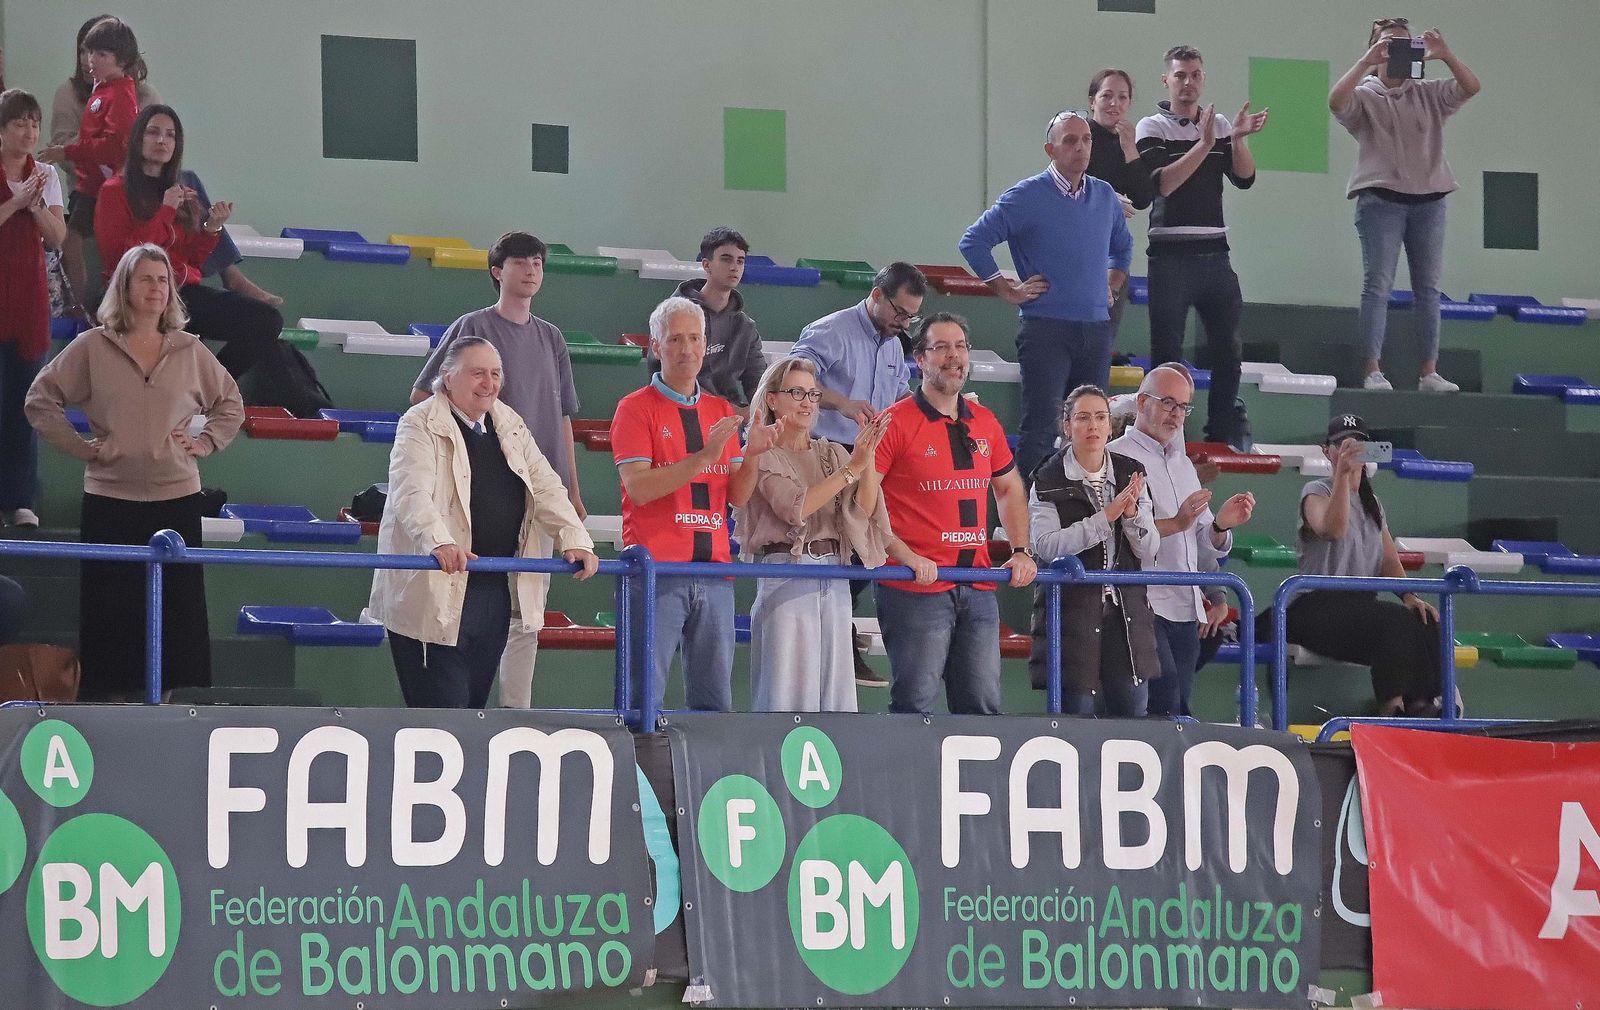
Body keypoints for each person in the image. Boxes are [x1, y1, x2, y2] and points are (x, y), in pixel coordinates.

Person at [25, 244, 243, 700]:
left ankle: (177, 708)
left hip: (177, 502)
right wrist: (81, 449)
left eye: (163, 280)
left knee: (180, 615)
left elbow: (230, 405)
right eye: (146, 279)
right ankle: (111, 710)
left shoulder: (190, 350)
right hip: (110, 503)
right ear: (124, 286)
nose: (156, 288)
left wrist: (203, 443)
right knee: (110, 614)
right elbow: (40, 400)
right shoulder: (91, 347)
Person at [370, 337, 596, 709]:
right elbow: (410, 494)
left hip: (493, 593)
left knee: (473, 715)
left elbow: (547, 485)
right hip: (435, 591)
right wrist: (438, 542)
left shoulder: (508, 422)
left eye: (495, 374)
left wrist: (575, 537)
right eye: (477, 373)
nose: (489, 384)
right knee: (442, 720)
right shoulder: (419, 423)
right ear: (446, 377)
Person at [412, 231, 586, 707]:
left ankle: (517, 714)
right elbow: (425, 395)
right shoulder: (473, 327)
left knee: (528, 612)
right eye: (520, 261)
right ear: (497, 271)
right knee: (470, 605)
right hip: (483, 493)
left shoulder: (551, 337)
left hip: (541, 493)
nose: (531, 270)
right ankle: (463, 710)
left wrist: (571, 489)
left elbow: (563, 416)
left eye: (538, 262)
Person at [874, 312, 1037, 715]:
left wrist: (1021, 549)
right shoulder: (893, 422)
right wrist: (904, 556)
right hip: (914, 587)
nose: (954, 357)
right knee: (915, 705)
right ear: (919, 358)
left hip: (978, 586)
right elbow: (862, 502)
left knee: (982, 705)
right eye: (941, 347)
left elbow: (1009, 486)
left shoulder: (985, 422)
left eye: (961, 346)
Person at [960, 109, 1134, 485]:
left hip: (1096, 329)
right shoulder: (1026, 196)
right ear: (1050, 149)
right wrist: (1006, 289)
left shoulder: (1104, 196)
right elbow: (973, 241)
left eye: (1086, 139)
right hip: (1046, 328)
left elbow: (1123, 247)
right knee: (1041, 429)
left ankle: (1076, 516)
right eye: (1070, 140)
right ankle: (1024, 525)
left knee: (1090, 430)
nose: (1081, 147)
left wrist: (1113, 283)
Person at [732, 356, 895, 712]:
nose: (807, 402)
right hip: (787, 574)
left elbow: (862, 512)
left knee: (835, 695)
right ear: (772, 400)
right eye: (796, 392)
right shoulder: (761, 455)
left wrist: (867, 461)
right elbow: (795, 507)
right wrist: (851, 470)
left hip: (834, 576)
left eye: (813, 394)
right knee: (786, 695)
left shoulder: (832, 452)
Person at [792, 261, 926, 685]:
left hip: (872, 459)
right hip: (826, 456)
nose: (904, 323)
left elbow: (900, 393)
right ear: (876, 295)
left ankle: (841, 635)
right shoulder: (830, 331)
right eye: (899, 313)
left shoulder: (893, 344)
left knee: (870, 547)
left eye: (911, 317)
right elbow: (794, 381)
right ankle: (834, 639)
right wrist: (844, 404)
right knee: (837, 547)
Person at [1330, 19, 1480, 393]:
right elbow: (1335, 101)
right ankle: (1372, 371)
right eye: (1387, 44)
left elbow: (1470, 87)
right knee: (1377, 285)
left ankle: (1429, 372)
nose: (1394, 50)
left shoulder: (1428, 93)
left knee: (1428, 289)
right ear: (1374, 49)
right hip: (1380, 201)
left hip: (1429, 201)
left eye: (1402, 44)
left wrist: (1444, 54)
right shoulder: (1365, 95)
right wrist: (1365, 61)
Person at [612, 296, 745, 713]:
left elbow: (738, 497)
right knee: (642, 696)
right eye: (675, 339)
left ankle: (710, 778)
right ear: (655, 347)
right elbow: (639, 489)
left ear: (706, 345)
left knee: (715, 703)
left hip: (715, 573)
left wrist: (754, 454)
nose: (686, 349)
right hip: (657, 572)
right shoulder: (634, 409)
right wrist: (704, 458)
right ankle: (636, 773)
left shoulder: (721, 410)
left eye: (694, 338)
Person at [1135, 45, 1269, 449]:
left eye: (1194, 75)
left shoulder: (1220, 124)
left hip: (1215, 254)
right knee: (1167, 353)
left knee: (1228, 348)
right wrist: (1204, 143)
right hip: (1170, 258)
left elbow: (1244, 178)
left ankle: (1220, 434)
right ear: (1167, 80)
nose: (1188, 83)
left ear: (1203, 79)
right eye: (1180, 75)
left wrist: (1238, 139)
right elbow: (1162, 184)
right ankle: (1163, 435)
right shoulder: (1151, 126)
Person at [93, 104, 284, 379]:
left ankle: (212, 387)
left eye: (170, 135)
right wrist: (166, 211)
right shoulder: (114, 191)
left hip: (182, 292)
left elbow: (194, 260)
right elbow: (124, 257)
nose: (162, 140)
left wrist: (211, 228)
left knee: (266, 321)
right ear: (137, 140)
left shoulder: (183, 191)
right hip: (135, 294)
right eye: (153, 132)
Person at [1108, 364, 1255, 717]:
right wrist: (1179, 522)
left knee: (1177, 708)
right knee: (1165, 702)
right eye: (1168, 403)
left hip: (1184, 605)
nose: (1176, 414)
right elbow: (1114, 534)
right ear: (1142, 402)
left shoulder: (1183, 465)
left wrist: (1220, 525)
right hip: (1140, 602)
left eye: (1183, 407)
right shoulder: (1115, 456)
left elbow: (1202, 540)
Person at [1288, 414, 1444, 715]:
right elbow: (1334, 529)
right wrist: (1343, 478)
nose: (1351, 450)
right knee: (1392, 621)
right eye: (1343, 445)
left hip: (1358, 606)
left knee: (1426, 620)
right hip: (1316, 605)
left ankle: (1424, 705)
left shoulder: (1374, 505)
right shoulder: (1315, 493)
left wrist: (1410, 597)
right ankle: (1391, 708)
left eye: (1359, 444)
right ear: (1327, 451)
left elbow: (1388, 559)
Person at [1028, 385, 1160, 716]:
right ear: (1066, 425)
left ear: (1110, 425)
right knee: (1076, 720)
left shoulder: (1132, 471)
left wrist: (1131, 517)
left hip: (1127, 615)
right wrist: (1106, 518)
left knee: (1133, 718)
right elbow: (1046, 545)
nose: (1093, 426)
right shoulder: (1047, 477)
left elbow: (1149, 549)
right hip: (1071, 614)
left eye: (1101, 417)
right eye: (1083, 418)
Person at [47, 15, 161, 310]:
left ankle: (106, 303)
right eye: (86, 52)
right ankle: (79, 303)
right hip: (90, 184)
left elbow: (116, 145)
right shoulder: (95, 90)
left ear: (122, 59)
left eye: (100, 54)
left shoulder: (125, 93)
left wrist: (69, 151)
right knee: (71, 241)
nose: (90, 60)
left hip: (114, 186)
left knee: (115, 247)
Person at [0, 90, 68, 529]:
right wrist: (14, 202)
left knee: (24, 403)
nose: (29, 132)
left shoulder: (46, 174)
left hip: (28, 300)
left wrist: (36, 202)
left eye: (35, 124)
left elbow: (58, 236)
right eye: (20, 123)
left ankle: (20, 498)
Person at [1087, 68, 1157, 336]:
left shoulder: (1128, 143)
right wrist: (1110, 200)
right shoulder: (1079, 136)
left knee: (1102, 344)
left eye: (1122, 97)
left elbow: (1142, 198)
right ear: (1093, 100)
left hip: (1112, 255)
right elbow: (1067, 187)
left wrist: (1130, 148)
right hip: (1076, 252)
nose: (1114, 103)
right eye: (1107, 96)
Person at [663, 227, 765, 407]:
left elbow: (757, 380)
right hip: (680, 409)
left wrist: (759, 413)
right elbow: (672, 379)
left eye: (740, 261)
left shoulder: (745, 326)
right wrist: (728, 411)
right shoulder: (674, 316)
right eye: (726, 259)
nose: (734, 267)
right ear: (706, 265)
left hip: (733, 416)